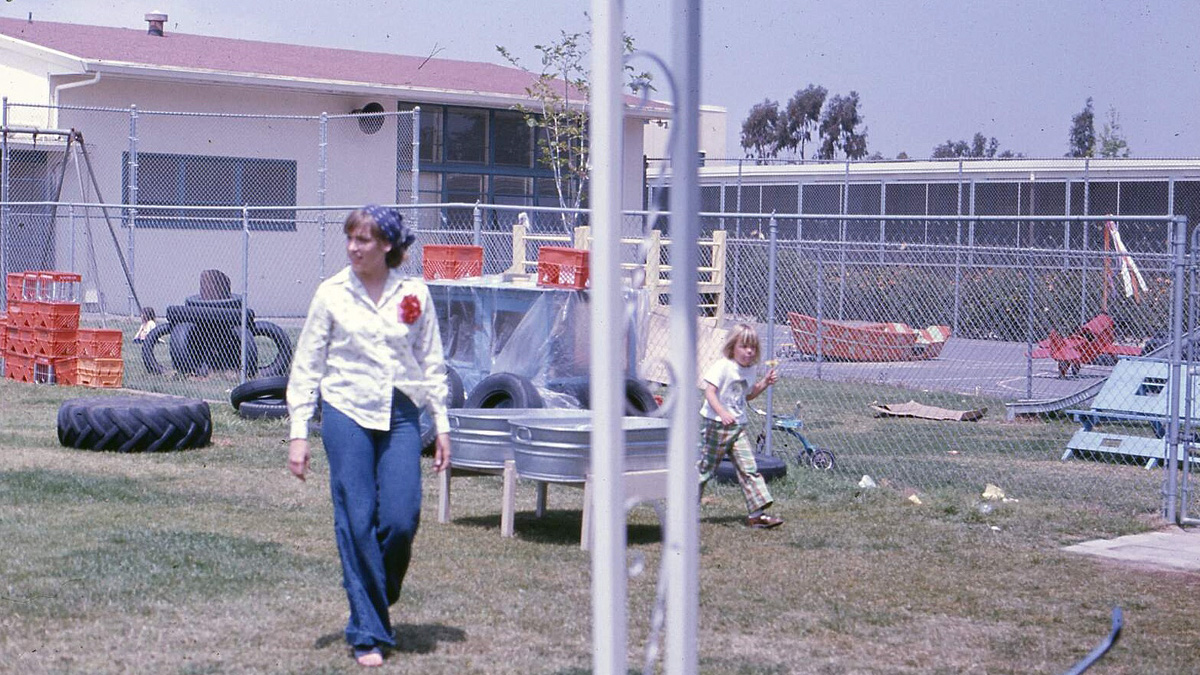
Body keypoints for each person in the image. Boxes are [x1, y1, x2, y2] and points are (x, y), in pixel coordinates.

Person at [286, 204, 451, 668]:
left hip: (400, 413)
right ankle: (368, 632)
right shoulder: (331, 293)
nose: (354, 247)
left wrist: (442, 424)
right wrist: (299, 432)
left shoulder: (414, 293)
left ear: (388, 246)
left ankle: (373, 597)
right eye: (351, 238)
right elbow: (307, 365)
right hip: (346, 411)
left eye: (364, 240)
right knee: (356, 518)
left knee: (401, 518)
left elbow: (432, 362)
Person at [697, 323, 784, 529]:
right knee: (704, 469)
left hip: (737, 428)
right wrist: (722, 412)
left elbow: (748, 395)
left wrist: (764, 383)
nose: (749, 351)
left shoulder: (751, 369)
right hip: (716, 426)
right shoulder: (723, 366)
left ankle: (756, 514)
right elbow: (709, 392)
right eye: (744, 346)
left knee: (749, 468)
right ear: (732, 347)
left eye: (752, 347)